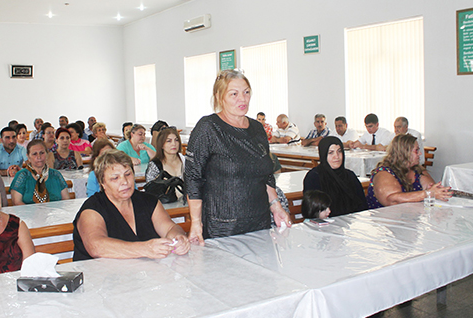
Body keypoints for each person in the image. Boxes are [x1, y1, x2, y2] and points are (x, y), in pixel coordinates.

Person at [185, 70, 291, 243]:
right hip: (223, 226)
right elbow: (193, 178)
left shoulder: (257, 129)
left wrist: (276, 207)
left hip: (259, 222)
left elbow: (266, 176)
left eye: (246, 92)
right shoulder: (208, 128)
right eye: (234, 94)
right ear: (220, 97)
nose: (242, 99)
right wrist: (196, 223)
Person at [73, 149, 190, 260]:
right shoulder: (92, 208)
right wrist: (145, 249)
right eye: (115, 178)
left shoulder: (148, 201)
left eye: (128, 174)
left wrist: (178, 238)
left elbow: (170, 228)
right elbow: (96, 246)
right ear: (102, 183)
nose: (124, 182)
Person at [366, 134, 452, 209]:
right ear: (404, 152)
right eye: (416, 151)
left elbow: (431, 187)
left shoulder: (417, 170)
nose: (420, 154)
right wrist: (428, 193)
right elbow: (392, 200)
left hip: (408, 217)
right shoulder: (384, 173)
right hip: (383, 222)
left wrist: (438, 191)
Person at [303, 137, 367, 217]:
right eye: (331, 153)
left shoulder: (350, 176)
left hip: (352, 223)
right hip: (326, 225)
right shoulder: (314, 177)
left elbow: (362, 205)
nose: (336, 156)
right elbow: (313, 211)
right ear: (323, 154)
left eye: (339, 151)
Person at [10, 140, 71, 205]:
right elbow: (16, 202)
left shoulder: (56, 175)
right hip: (28, 214)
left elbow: (66, 200)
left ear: (47, 154)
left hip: (55, 213)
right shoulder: (22, 176)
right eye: (34, 154)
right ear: (28, 157)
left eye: (42, 153)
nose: (39, 157)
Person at [145, 128, 186, 199]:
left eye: (176, 140)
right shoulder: (155, 165)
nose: (174, 144)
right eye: (169, 141)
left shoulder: (185, 161)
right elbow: (150, 190)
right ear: (161, 144)